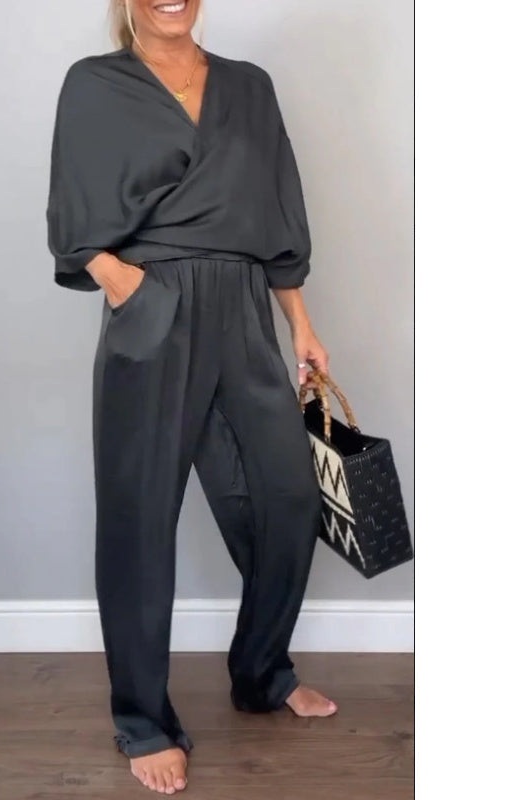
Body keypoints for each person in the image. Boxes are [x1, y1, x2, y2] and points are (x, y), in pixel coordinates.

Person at [46, 0, 338, 794]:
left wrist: (301, 325)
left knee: (287, 499)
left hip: (244, 304)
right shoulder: (95, 84)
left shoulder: (250, 86)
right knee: (140, 515)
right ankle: (144, 720)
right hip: (154, 303)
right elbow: (73, 207)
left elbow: (277, 208)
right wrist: (125, 285)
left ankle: (262, 673)